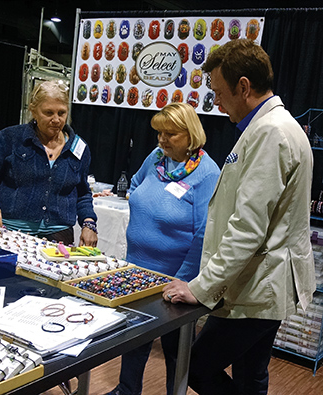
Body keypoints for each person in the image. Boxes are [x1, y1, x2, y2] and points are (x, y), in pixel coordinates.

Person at [163, 39, 316, 395]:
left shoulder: (270, 132)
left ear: (243, 87)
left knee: (196, 369)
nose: (215, 101)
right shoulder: (274, 127)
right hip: (263, 285)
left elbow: (248, 228)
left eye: (218, 92)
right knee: (251, 376)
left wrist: (200, 288)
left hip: (258, 289)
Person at [104, 102, 220, 395]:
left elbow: (205, 232)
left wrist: (183, 279)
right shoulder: (156, 158)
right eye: (159, 133)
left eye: (171, 134)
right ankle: (127, 389)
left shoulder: (207, 173)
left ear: (191, 134)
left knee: (175, 349)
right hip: (136, 269)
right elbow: (135, 184)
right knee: (133, 337)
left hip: (174, 279)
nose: (163, 139)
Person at [0, 80, 97, 246]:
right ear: (33, 110)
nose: (56, 119)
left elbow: (82, 193)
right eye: (48, 112)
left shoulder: (79, 148)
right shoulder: (8, 139)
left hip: (60, 238)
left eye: (61, 113)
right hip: (9, 233)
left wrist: (89, 223)